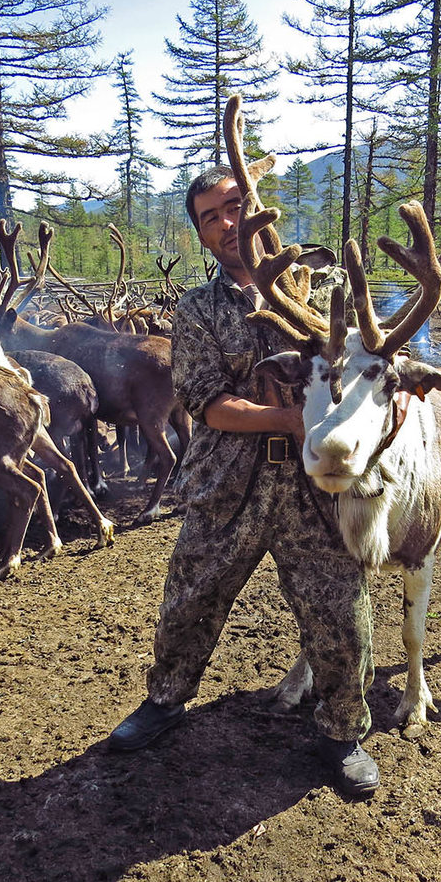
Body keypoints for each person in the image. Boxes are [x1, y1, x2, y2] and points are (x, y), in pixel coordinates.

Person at [106, 166, 380, 797]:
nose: (228, 223)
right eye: (211, 216)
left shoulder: (330, 287)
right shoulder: (199, 308)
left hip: (319, 490)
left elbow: (368, 364)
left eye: (235, 205)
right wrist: (290, 417)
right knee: (189, 601)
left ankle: (343, 732)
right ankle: (166, 701)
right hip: (229, 487)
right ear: (201, 234)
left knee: (341, 616)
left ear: (260, 206)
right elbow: (205, 402)